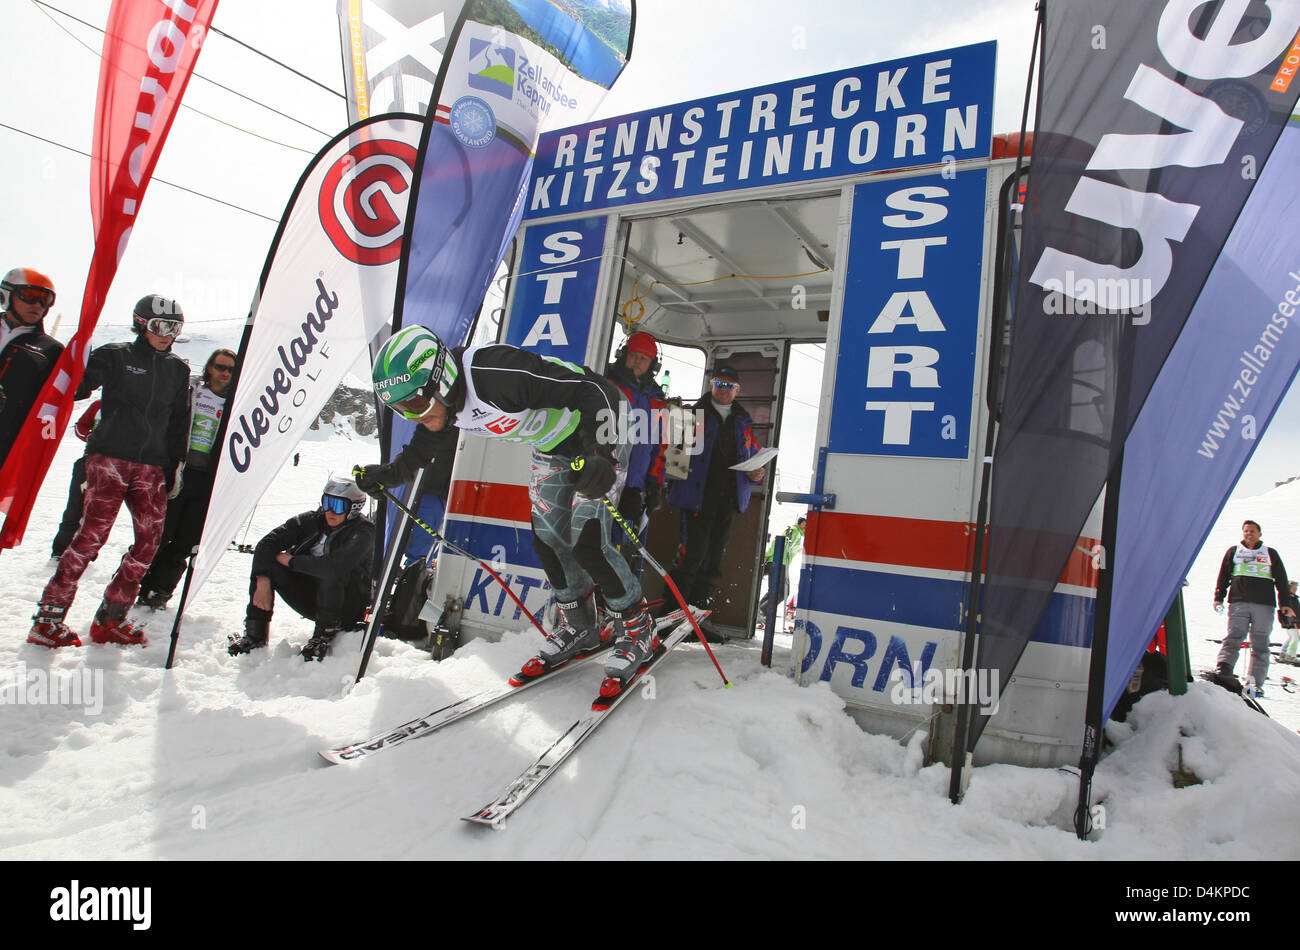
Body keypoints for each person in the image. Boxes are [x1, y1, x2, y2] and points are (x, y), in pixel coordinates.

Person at [354, 326, 656, 686]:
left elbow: (593, 391)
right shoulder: (445, 405)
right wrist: (389, 474)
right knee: (547, 538)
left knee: (587, 539)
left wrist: (601, 456)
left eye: (415, 404)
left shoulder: (496, 376)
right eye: (400, 409)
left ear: (442, 378)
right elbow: (426, 441)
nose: (413, 415)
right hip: (553, 443)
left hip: (602, 426)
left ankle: (639, 627)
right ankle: (579, 625)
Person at [29, 295, 190, 648]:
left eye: (175, 328)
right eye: (161, 327)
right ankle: (49, 616)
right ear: (140, 322)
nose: (168, 335)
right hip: (110, 459)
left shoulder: (178, 369)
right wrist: (70, 366)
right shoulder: (116, 355)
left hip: (151, 465)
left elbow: (180, 422)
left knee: (149, 542)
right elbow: (79, 387)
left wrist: (175, 464)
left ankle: (111, 617)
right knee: (90, 537)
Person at [227, 476, 375, 661]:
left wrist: (291, 561)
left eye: (339, 506)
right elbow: (266, 544)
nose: (330, 511)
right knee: (268, 565)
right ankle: (255, 635)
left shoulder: (364, 532)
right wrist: (263, 580)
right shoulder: (311, 520)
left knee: (330, 574)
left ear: (354, 508)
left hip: (346, 607)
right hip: (313, 599)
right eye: (327, 502)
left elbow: (334, 568)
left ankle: (323, 637)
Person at [136, 348, 237, 609]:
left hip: (208, 479)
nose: (225, 373)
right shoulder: (191, 392)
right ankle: (134, 583)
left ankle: (161, 589)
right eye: (220, 366)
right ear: (210, 367)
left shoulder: (237, 403)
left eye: (230, 369)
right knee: (158, 534)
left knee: (186, 541)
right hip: (177, 472)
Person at [662, 365, 767, 615]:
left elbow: (754, 458)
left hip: (728, 501)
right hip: (696, 500)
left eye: (730, 385)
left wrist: (756, 473)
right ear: (711, 386)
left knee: (713, 561)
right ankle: (670, 616)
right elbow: (672, 461)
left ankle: (698, 619)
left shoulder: (743, 423)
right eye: (720, 383)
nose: (724, 389)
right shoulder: (690, 415)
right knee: (690, 557)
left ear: (738, 391)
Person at [604, 331, 667, 561]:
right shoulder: (607, 383)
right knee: (599, 540)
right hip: (605, 478)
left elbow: (660, 445)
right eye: (633, 355)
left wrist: (654, 484)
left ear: (652, 364)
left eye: (643, 358)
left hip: (635, 486)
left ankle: (617, 592)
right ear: (624, 355)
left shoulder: (657, 398)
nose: (637, 361)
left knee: (625, 549)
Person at [1213, 519, 1294, 695]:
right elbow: (1223, 576)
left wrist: (1286, 604)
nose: (1249, 534)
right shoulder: (1234, 552)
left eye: (1252, 531)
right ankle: (1223, 670)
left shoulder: (1270, 553)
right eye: (1246, 531)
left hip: (1264, 605)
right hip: (1238, 602)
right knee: (1234, 636)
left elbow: (1281, 580)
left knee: (1260, 643)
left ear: (1259, 534)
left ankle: (1255, 683)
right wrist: (1218, 598)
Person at [0, 267, 63, 466]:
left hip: (7, 447)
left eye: (45, 299)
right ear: (7, 294)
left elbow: (60, 399)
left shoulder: (51, 350)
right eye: (29, 295)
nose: (37, 304)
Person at [51, 399, 101, 560]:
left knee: (98, 513)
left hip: (117, 467)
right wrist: (91, 437)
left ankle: (87, 552)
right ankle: (60, 550)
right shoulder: (100, 404)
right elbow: (80, 426)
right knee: (74, 508)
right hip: (88, 462)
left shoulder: (137, 404)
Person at [758, 515, 806, 623]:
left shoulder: (796, 533)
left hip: (780, 562)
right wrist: (768, 555)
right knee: (782, 591)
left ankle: (760, 611)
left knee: (775, 591)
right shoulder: (794, 531)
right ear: (802, 524)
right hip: (779, 562)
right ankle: (761, 610)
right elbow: (778, 542)